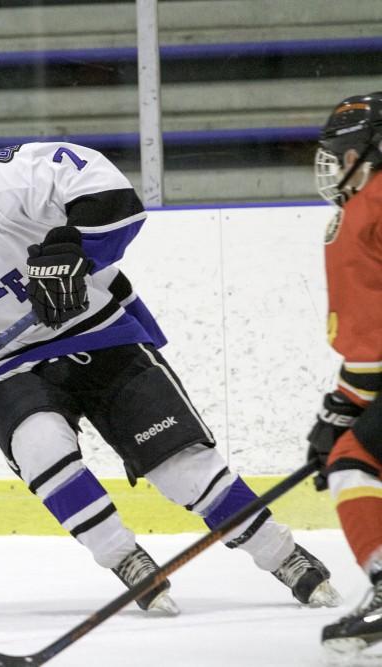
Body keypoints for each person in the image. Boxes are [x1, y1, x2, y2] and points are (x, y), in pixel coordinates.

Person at [0, 101, 341, 614]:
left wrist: (72, 246)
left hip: (99, 333)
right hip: (11, 363)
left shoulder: (7, 179)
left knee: (181, 467)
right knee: (38, 446)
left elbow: (110, 194)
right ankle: (124, 558)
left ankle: (284, 555)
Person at [306, 91, 382, 661]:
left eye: (346, 151)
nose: (335, 164)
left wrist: (336, 416)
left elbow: (371, 352)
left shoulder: (364, 213)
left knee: (354, 460)